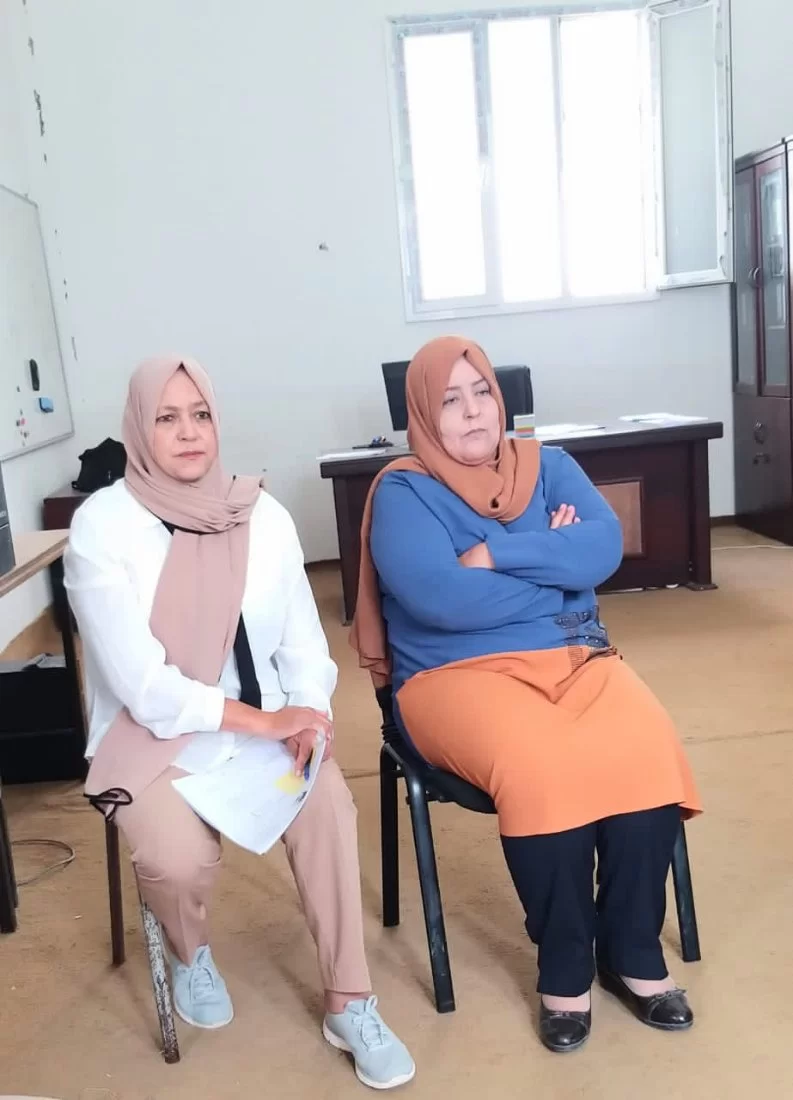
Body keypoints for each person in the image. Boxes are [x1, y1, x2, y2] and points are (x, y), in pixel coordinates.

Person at [64, 356, 415, 1091]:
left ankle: (349, 1001)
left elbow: (302, 643)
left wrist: (310, 713)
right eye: (167, 418)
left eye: (200, 414)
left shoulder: (262, 513)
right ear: (138, 428)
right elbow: (143, 688)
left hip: (266, 726)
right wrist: (266, 721)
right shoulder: (103, 527)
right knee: (177, 861)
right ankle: (188, 950)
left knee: (327, 808)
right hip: (156, 736)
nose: (189, 432)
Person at [351, 336, 701, 1054]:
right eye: (449, 400)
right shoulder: (403, 491)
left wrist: (496, 554)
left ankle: (631, 949)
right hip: (454, 675)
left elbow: (602, 549)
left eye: (481, 390)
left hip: (574, 653)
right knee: (541, 764)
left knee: (645, 744)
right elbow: (441, 599)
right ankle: (565, 966)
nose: (472, 410)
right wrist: (557, 571)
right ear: (422, 415)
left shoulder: (549, 465)